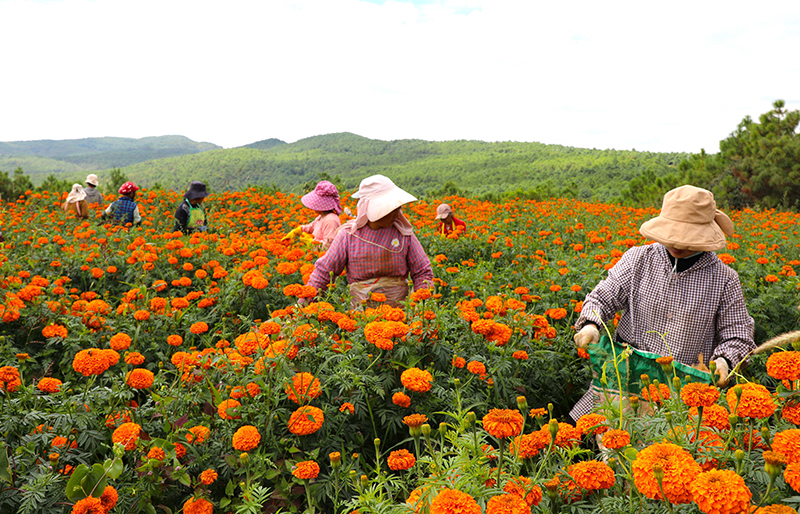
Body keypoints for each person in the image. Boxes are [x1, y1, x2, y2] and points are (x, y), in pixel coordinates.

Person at [570, 184, 755, 421]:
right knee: (596, 440)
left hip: (682, 393)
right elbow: (601, 297)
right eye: (673, 234)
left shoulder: (724, 279)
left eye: (686, 237)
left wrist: (724, 361)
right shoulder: (638, 259)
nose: (677, 244)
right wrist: (591, 325)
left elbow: (737, 336)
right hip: (624, 381)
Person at [305, 175, 434, 308]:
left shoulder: (403, 234)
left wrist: (422, 305)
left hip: (400, 316)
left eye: (397, 207)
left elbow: (422, 271)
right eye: (390, 207)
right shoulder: (348, 236)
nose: (396, 212)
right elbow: (324, 271)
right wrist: (304, 303)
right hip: (361, 317)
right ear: (369, 208)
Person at [281, 180, 342, 248]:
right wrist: (297, 231)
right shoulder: (321, 217)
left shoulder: (331, 220)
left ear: (321, 204)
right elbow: (311, 227)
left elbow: (328, 247)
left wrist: (311, 242)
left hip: (324, 257)